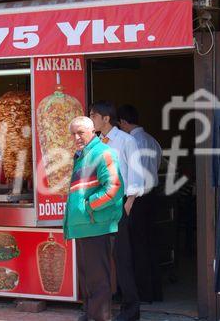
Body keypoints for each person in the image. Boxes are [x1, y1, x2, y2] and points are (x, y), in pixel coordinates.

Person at [64, 116, 124, 321]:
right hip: (85, 226)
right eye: (73, 133)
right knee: (88, 280)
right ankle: (90, 315)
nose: (76, 137)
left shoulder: (102, 152)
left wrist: (90, 206)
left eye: (80, 132)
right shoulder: (82, 155)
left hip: (96, 225)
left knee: (98, 282)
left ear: (93, 131)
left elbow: (114, 187)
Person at [89, 101, 144, 321]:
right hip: (99, 204)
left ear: (106, 119)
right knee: (100, 258)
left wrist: (129, 202)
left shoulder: (126, 141)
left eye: (93, 116)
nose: (90, 119)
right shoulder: (95, 141)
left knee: (122, 258)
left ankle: (131, 309)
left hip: (119, 204)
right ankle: (101, 309)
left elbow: (137, 172)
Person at [117, 104, 163, 302]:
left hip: (136, 198)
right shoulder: (152, 140)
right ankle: (154, 291)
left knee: (135, 246)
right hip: (152, 196)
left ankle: (141, 292)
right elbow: (158, 164)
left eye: (119, 124)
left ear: (124, 122)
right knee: (150, 243)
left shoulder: (131, 142)